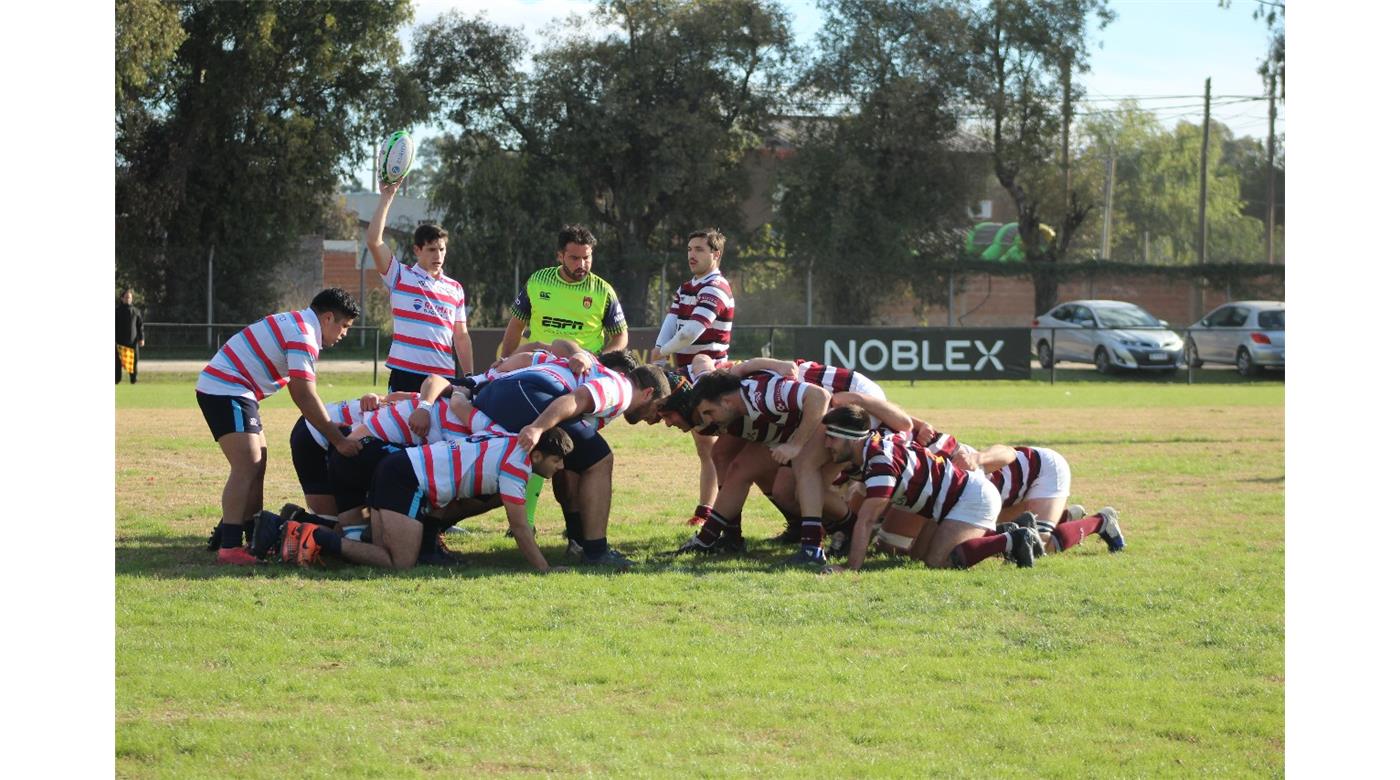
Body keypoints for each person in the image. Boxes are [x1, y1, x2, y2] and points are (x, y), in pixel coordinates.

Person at [194, 288, 361, 565]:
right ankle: (231, 545)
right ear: (328, 317)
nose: (344, 333)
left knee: (257, 465)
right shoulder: (304, 334)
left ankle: (251, 536)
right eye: (344, 326)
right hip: (227, 387)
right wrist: (337, 438)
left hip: (233, 388)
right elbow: (303, 394)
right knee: (248, 464)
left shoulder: (299, 323)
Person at [471, 360, 678, 567]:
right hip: (520, 393)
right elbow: (574, 399)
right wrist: (537, 427)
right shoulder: (620, 389)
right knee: (600, 458)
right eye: (658, 407)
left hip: (498, 393)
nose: (655, 418)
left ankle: (577, 541)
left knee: (564, 457)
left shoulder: (607, 383)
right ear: (648, 393)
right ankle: (596, 551)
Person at [284, 429, 575, 572]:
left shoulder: (508, 438)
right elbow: (520, 527)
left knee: (375, 548)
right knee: (399, 562)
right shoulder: (517, 465)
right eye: (556, 461)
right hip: (406, 478)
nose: (559, 468)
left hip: (399, 466)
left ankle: (299, 524)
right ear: (536, 455)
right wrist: (544, 569)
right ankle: (315, 535)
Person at [816, 405, 1042, 573]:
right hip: (950, 501)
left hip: (970, 498)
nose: (826, 445)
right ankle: (1003, 531)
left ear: (852, 439)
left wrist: (850, 568)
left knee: (937, 563)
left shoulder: (880, 463)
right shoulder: (870, 449)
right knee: (917, 557)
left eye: (832, 439)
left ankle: (1013, 540)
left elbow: (866, 519)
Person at [676, 370, 834, 565]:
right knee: (740, 469)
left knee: (801, 474)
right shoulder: (743, 401)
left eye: (709, 412)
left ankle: (816, 546)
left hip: (835, 411)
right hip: (807, 420)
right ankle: (708, 539)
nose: (709, 420)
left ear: (726, 401)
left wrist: (796, 445)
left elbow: (820, 396)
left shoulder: (761, 395)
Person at [653, 229, 736, 529]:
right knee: (706, 447)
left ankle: (716, 514)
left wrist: (661, 351)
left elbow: (691, 332)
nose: (692, 254)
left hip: (710, 375)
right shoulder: (687, 287)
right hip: (688, 373)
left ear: (715, 254)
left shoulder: (717, 286)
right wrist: (659, 351)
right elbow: (672, 322)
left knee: (715, 447)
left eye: (700, 249)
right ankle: (709, 511)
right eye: (689, 248)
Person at [366, 179, 473, 392]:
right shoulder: (399, 275)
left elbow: (460, 335)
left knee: (438, 426)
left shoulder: (455, 288)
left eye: (442, 249)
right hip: (405, 375)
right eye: (432, 249)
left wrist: (470, 376)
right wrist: (387, 198)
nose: (438, 255)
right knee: (401, 425)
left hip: (441, 376)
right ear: (417, 250)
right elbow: (373, 241)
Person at [957, 444, 1124, 555]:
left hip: (1044, 470)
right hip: (1011, 494)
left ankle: (1101, 521)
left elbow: (1007, 451)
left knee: (1038, 545)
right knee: (995, 541)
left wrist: (979, 458)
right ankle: (1063, 518)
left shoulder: (947, 453)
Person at [498, 224, 627, 358]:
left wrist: (600, 361)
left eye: (586, 258)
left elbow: (620, 336)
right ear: (560, 256)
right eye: (575, 258)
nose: (581, 265)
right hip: (538, 364)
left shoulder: (603, 290)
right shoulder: (538, 281)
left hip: (584, 370)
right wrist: (504, 361)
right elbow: (516, 325)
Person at [116, 288, 144, 384]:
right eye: (126, 297)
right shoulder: (116, 311)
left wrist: (141, 338)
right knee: (117, 364)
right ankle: (116, 380)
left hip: (133, 343)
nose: (128, 299)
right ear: (122, 298)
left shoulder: (136, 311)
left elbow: (140, 326)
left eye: (130, 297)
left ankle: (134, 380)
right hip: (119, 342)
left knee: (134, 362)